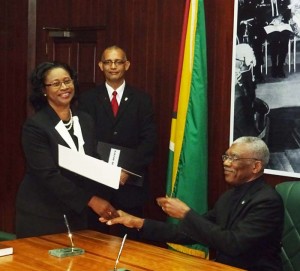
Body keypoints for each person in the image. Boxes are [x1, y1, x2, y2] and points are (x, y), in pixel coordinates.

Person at [102, 137, 284, 271]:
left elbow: (233, 244)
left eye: (234, 158)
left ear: (256, 167)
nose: (226, 163)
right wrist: (138, 222)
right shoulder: (228, 197)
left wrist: (186, 214)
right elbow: (192, 233)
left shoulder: (267, 201)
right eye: (226, 157)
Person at [16, 61, 119, 238]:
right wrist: (91, 200)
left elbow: (91, 159)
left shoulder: (85, 120)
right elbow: (48, 175)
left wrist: (115, 174)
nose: (64, 87)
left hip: (76, 213)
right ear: (43, 90)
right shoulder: (35, 126)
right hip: (43, 213)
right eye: (56, 84)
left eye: (67, 81)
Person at [78, 45, 156, 239]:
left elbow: (149, 141)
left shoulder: (142, 100)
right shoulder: (86, 99)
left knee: (130, 245)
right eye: (108, 62)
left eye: (118, 61)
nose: (113, 66)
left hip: (129, 185)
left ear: (126, 65)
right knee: (94, 243)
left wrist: (127, 170)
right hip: (97, 186)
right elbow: (83, 139)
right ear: (100, 65)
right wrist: (102, 171)